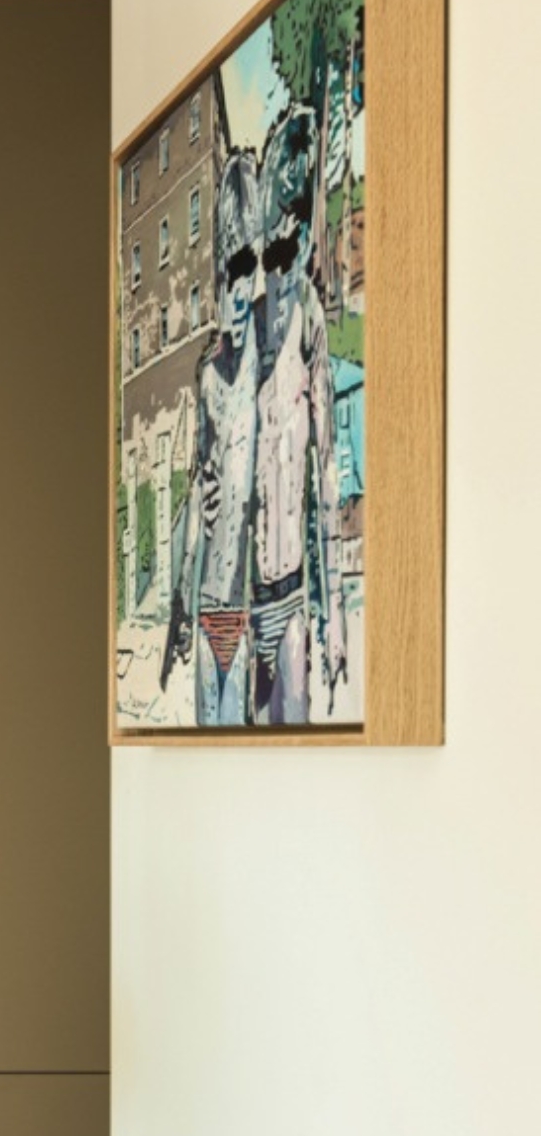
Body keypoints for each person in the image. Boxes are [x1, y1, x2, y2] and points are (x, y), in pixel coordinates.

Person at [250, 106, 346, 723]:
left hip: (290, 594)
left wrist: (333, 615)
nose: (279, 272)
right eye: (270, 256)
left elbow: (329, 473)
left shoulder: (310, 327)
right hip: (242, 599)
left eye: (290, 251)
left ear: (306, 243)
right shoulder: (249, 326)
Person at [166, 149, 262, 725]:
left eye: (248, 269)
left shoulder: (265, 364)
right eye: (230, 273)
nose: (238, 289)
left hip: (251, 605)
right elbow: (199, 478)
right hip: (209, 607)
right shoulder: (208, 373)